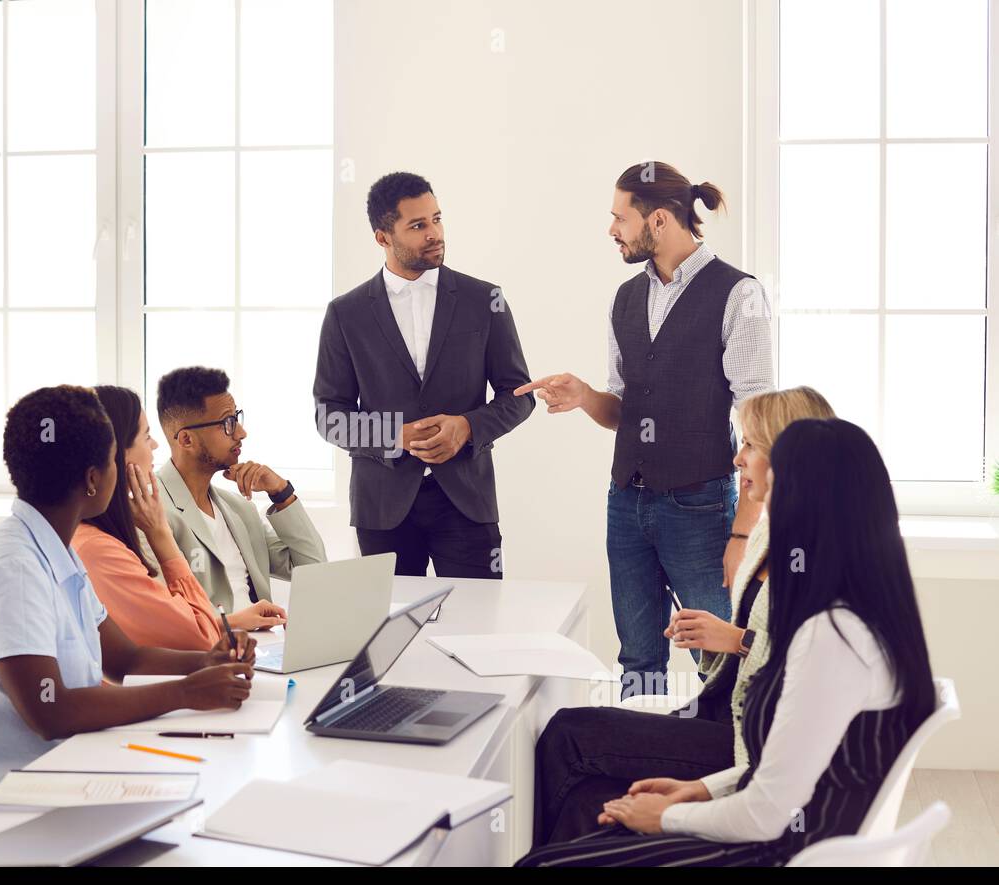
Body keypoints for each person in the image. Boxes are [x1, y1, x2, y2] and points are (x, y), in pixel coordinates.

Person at [517, 418, 936, 866]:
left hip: (777, 851)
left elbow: (767, 813)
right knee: (592, 809)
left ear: (808, 504)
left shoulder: (831, 637)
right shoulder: (861, 610)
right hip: (779, 831)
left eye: (776, 489)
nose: (766, 509)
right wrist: (699, 790)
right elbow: (778, 775)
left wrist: (669, 816)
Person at [0, 385, 257, 810]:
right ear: (94, 479)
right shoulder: (14, 566)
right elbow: (50, 709)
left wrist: (209, 661)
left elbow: (125, 659)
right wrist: (185, 692)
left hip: (60, 776)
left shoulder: (57, 552)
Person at [531, 386, 835, 847]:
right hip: (715, 715)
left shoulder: (817, 550)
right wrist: (716, 642)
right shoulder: (771, 533)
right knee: (586, 795)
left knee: (569, 734)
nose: (737, 460)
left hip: (744, 741)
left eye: (750, 446)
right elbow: (750, 655)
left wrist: (737, 640)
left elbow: (818, 671)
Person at [517, 161, 774, 696]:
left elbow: (761, 430)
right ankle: (643, 759)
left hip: (700, 507)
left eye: (620, 218)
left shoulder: (738, 295)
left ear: (658, 220)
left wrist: (742, 535)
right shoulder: (625, 299)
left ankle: (718, 772)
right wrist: (585, 397)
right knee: (637, 657)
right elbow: (624, 413)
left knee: (717, 659)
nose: (612, 230)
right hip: (625, 502)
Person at [314, 171, 533, 578]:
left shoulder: (485, 300)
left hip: (467, 502)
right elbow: (329, 416)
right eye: (417, 225)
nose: (434, 233)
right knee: (390, 638)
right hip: (382, 509)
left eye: (436, 219)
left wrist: (467, 427)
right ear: (383, 237)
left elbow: (519, 395)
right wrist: (393, 436)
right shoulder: (346, 314)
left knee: (477, 631)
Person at [74, 385, 287, 650]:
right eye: (146, 436)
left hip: (242, 643)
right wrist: (160, 534)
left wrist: (283, 493)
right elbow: (192, 634)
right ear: (114, 454)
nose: (154, 445)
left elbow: (127, 659)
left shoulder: (236, 507)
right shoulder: (100, 547)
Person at [152, 366, 326, 612]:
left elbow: (314, 569)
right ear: (186, 440)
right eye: (227, 423)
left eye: (237, 418)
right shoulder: (151, 511)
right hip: (213, 646)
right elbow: (162, 613)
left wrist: (282, 494)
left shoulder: (239, 508)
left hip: (264, 643)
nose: (241, 433)